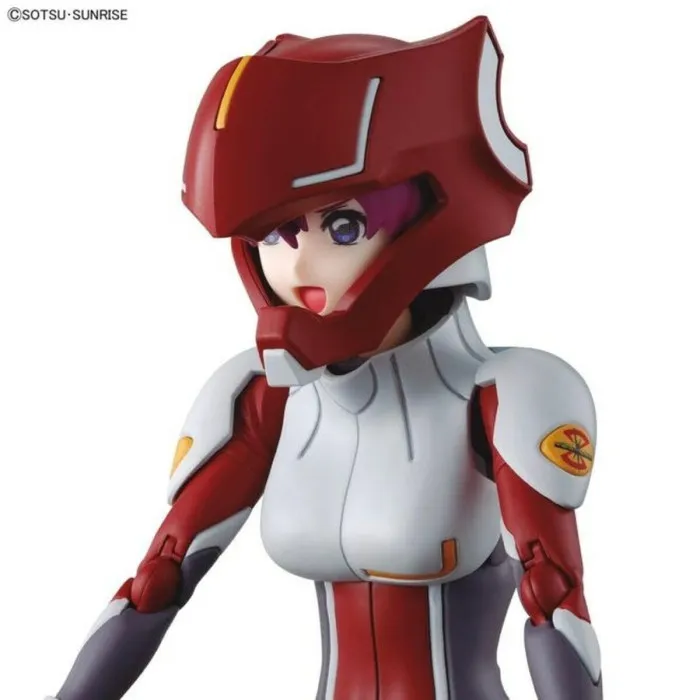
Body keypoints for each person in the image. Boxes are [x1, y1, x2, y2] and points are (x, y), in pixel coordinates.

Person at [46, 15, 603, 700]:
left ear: (432, 220)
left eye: (344, 227)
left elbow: (555, 600)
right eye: (277, 233)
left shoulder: (508, 393)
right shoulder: (264, 395)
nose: (298, 266)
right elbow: (155, 583)